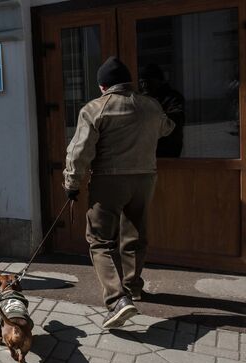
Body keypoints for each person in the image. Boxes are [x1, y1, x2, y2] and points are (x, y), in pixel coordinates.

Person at [63, 57, 174, 329]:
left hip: (109, 181)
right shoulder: (150, 105)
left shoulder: (95, 109)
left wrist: (72, 184)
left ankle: (117, 301)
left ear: (103, 86)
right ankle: (133, 287)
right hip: (145, 179)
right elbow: (167, 128)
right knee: (135, 233)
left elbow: (79, 152)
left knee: (100, 240)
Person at [138, 63, 185, 158]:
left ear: (158, 81)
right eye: (141, 82)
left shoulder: (173, 97)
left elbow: (176, 119)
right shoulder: (141, 99)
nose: (144, 86)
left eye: (147, 82)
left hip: (168, 149)